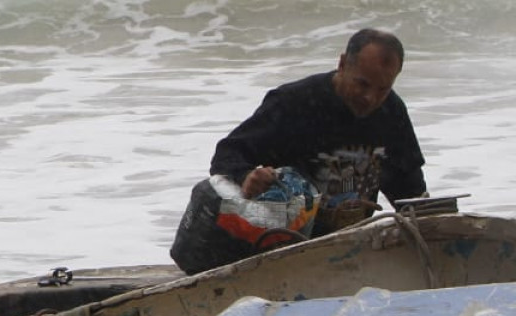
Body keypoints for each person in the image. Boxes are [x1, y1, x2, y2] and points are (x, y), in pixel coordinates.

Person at [174, 29, 426, 272]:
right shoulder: (294, 103)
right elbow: (228, 154)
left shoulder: (391, 112)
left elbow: (408, 189)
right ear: (342, 64)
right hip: (286, 252)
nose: (370, 98)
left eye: (382, 89)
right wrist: (247, 176)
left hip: (351, 249)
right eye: (362, 84)